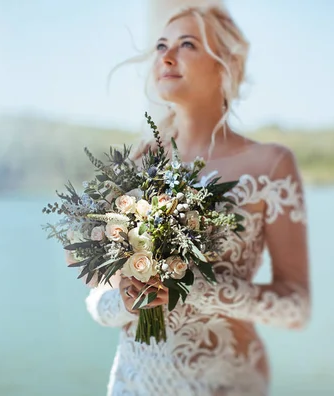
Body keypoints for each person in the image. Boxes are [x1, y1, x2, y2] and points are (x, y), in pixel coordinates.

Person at [71, 5, 311, 396]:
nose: (166, 56)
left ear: (226, 65)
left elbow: (295, 308)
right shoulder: (138, 162)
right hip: (133, 383)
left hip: (223, 384)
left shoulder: (271, 164)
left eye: (187, 45)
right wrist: (127, 304)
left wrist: (192, 287)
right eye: (161, 45)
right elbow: (98, 297)